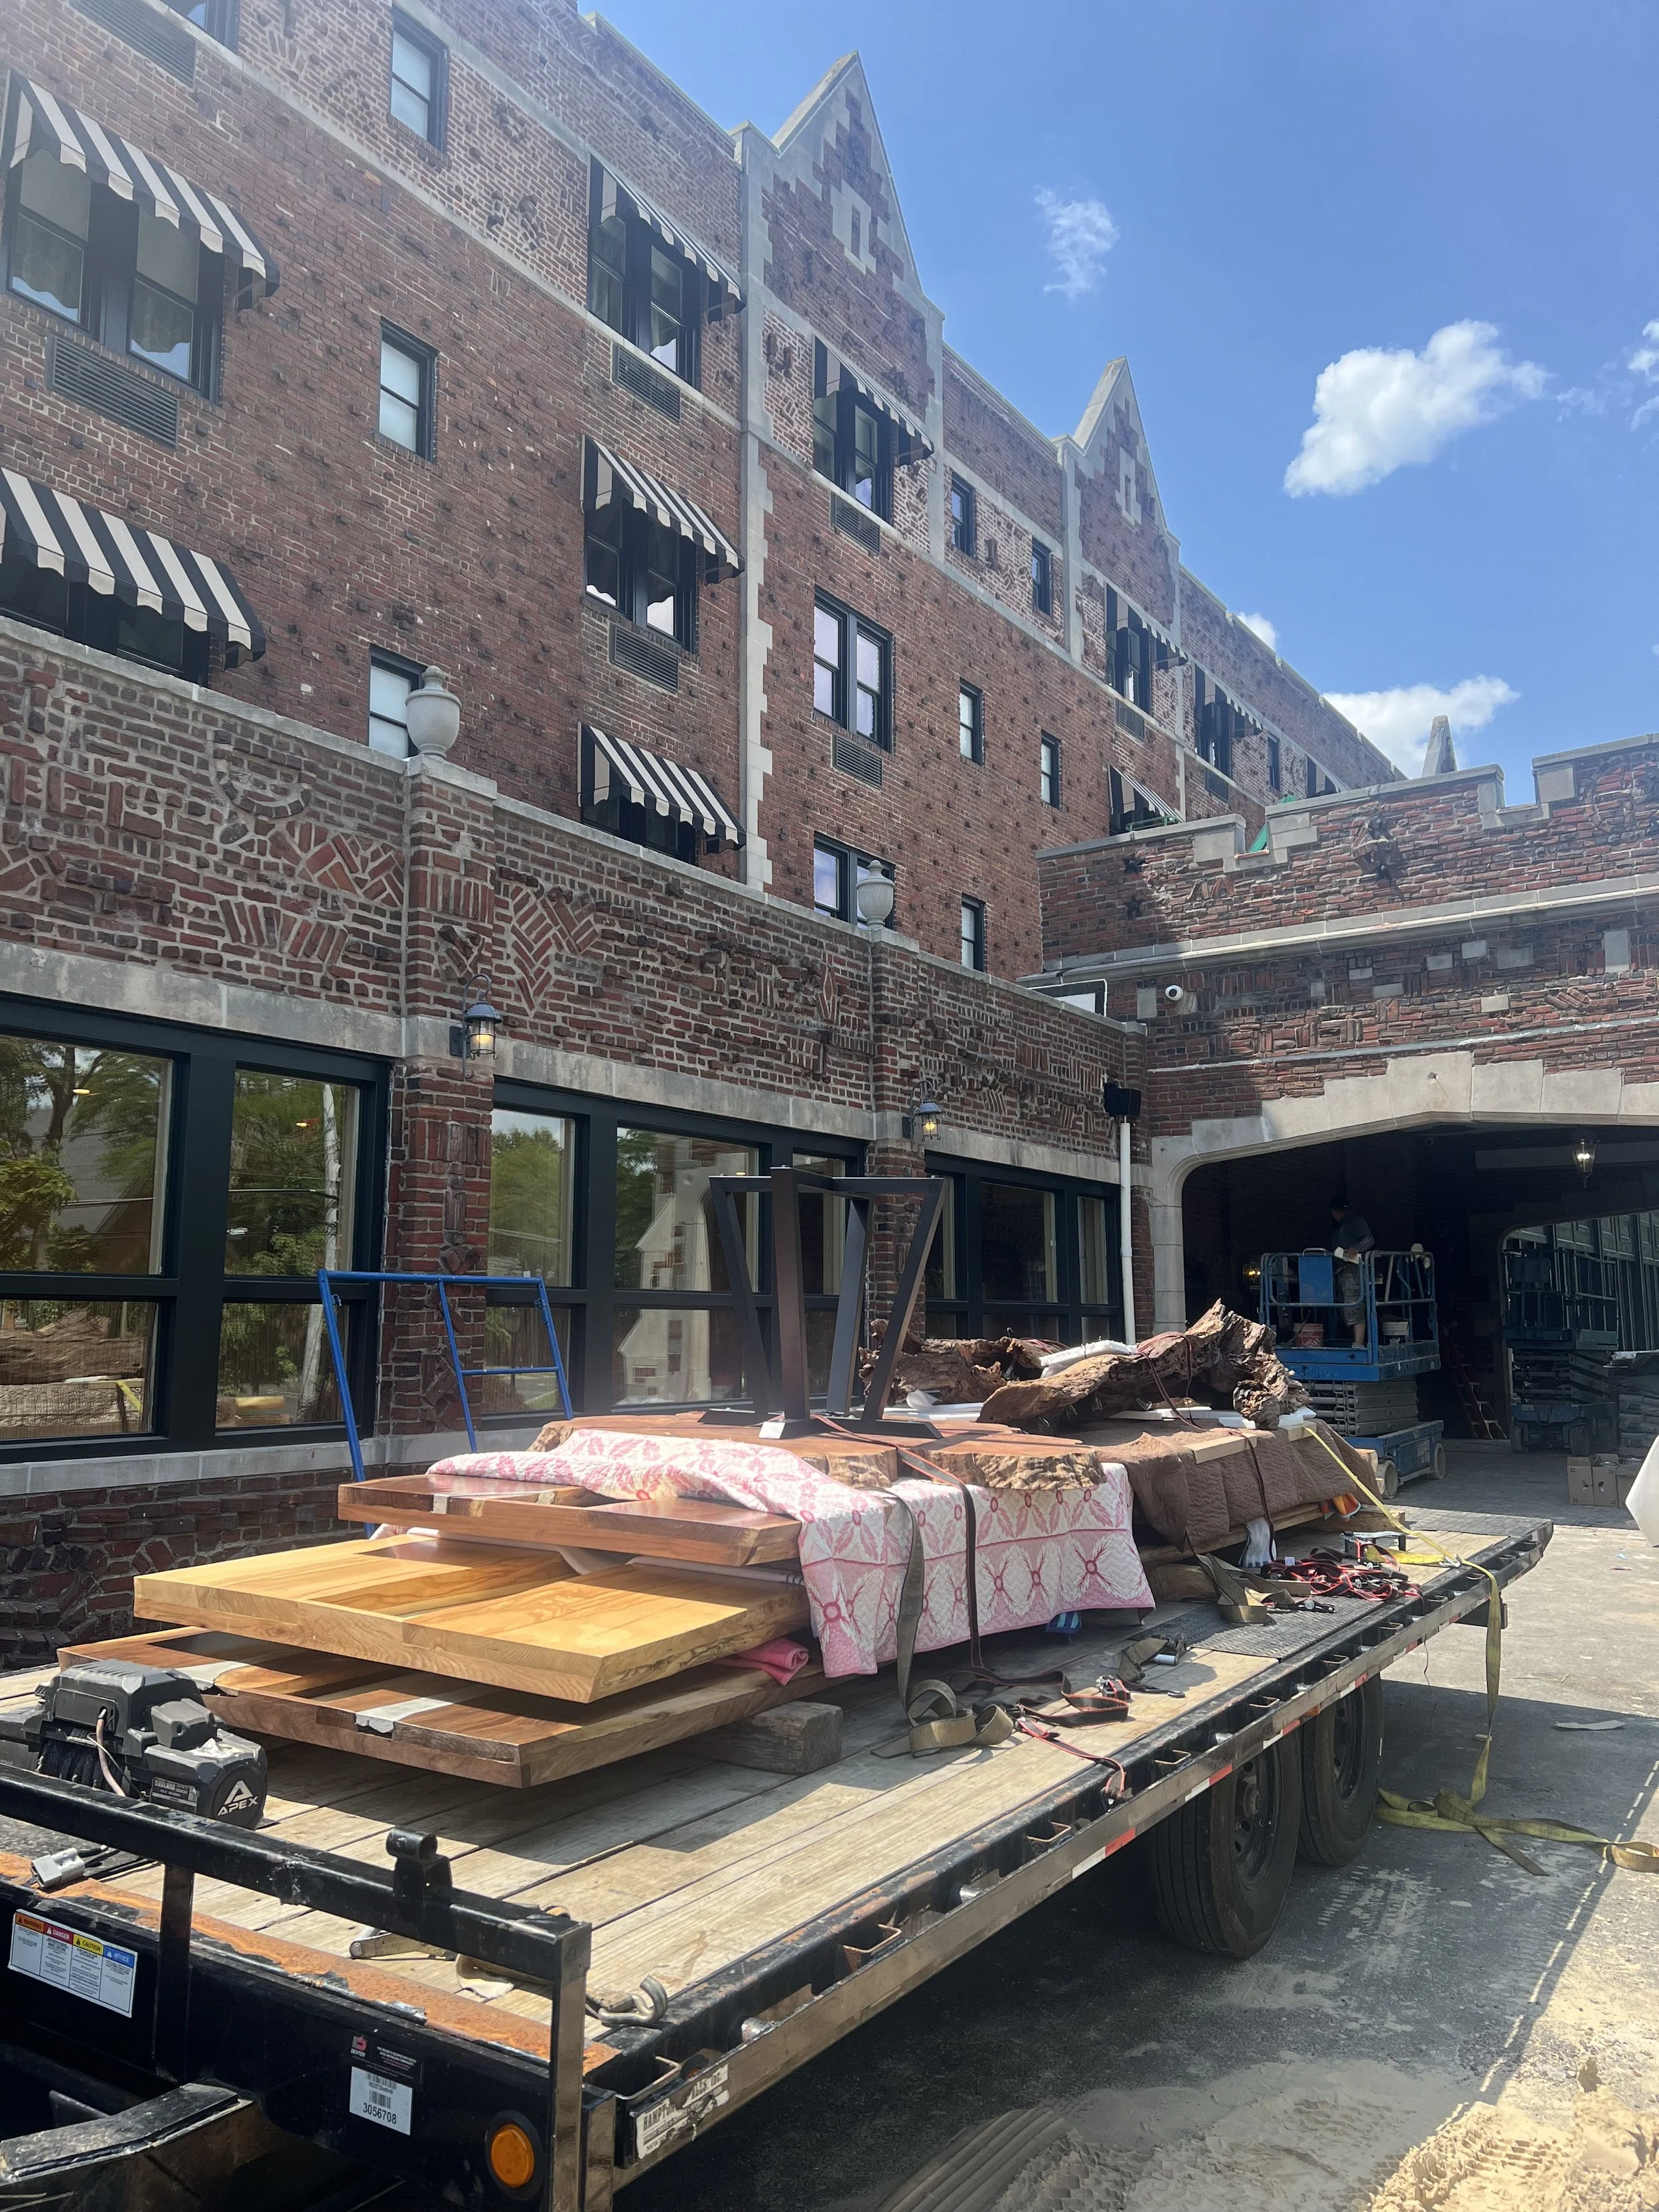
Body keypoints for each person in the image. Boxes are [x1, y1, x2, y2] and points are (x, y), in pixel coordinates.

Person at [1327, 1198, 1376, 1347]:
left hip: (1353, 1269)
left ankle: (1359, 1343)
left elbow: (1369, 1239)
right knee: (1348, 1306)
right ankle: (1355, 1340)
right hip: (1343, 1270)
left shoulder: (1354, 1221)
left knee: (1354, 1304)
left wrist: (1356, 1249)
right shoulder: (1340, 1226)